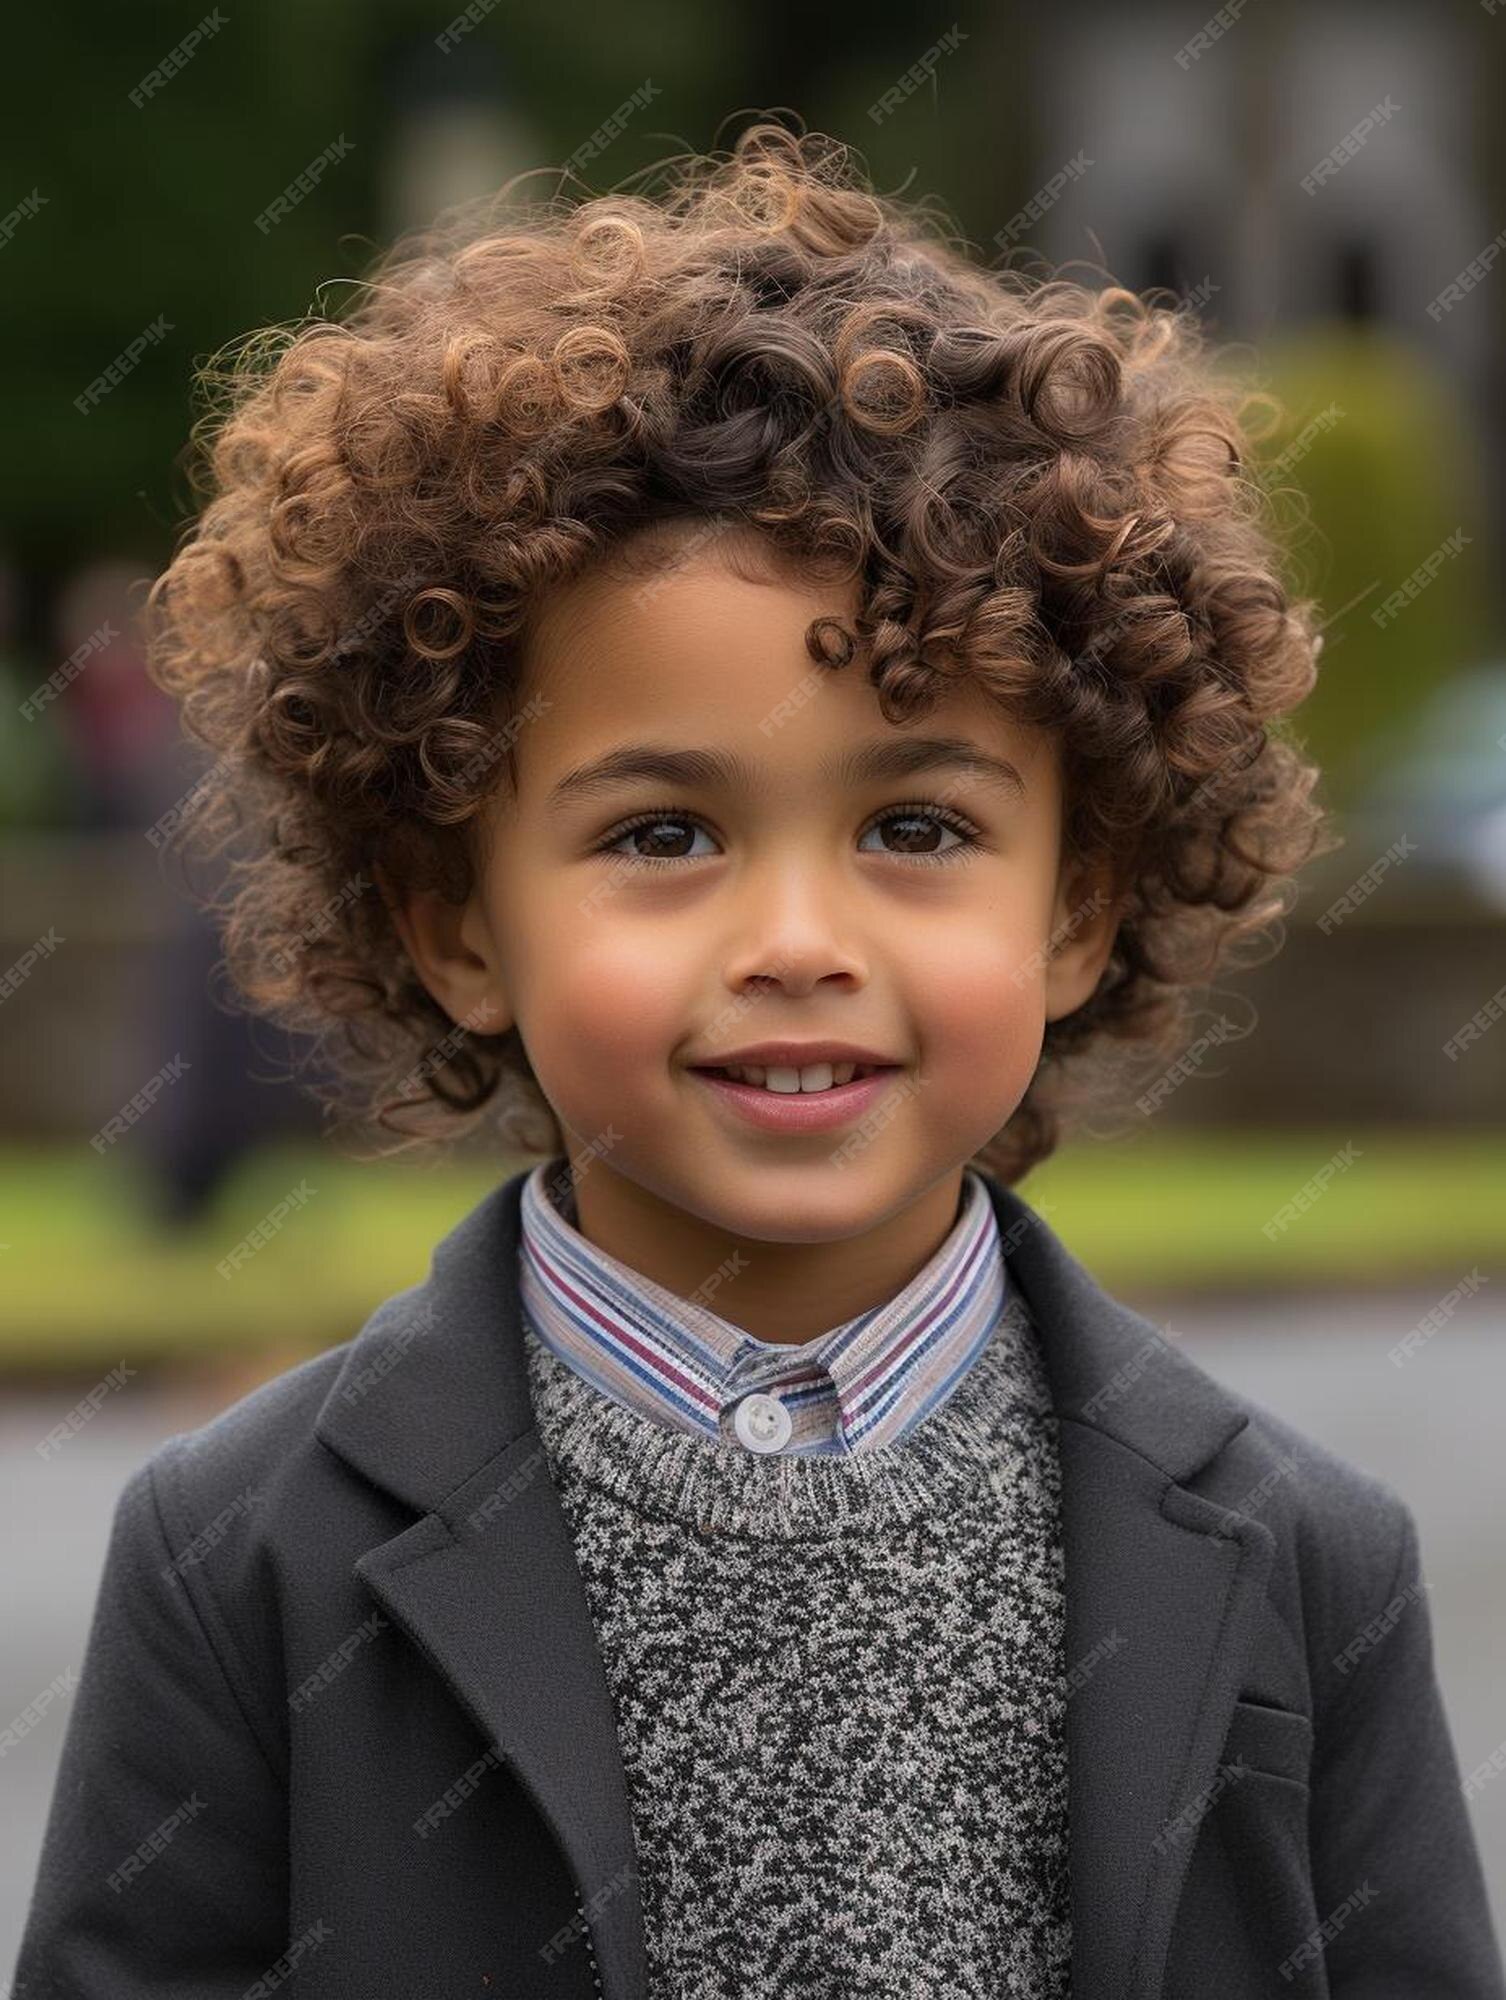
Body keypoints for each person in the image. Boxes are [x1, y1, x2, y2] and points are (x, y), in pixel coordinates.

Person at [13, 123, 1504, 1999]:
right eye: (661, 836)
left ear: (1073, 904)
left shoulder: (1306, 1561)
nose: (796, 940)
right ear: (454, 920)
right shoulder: (238, 1559)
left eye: (915, 830)